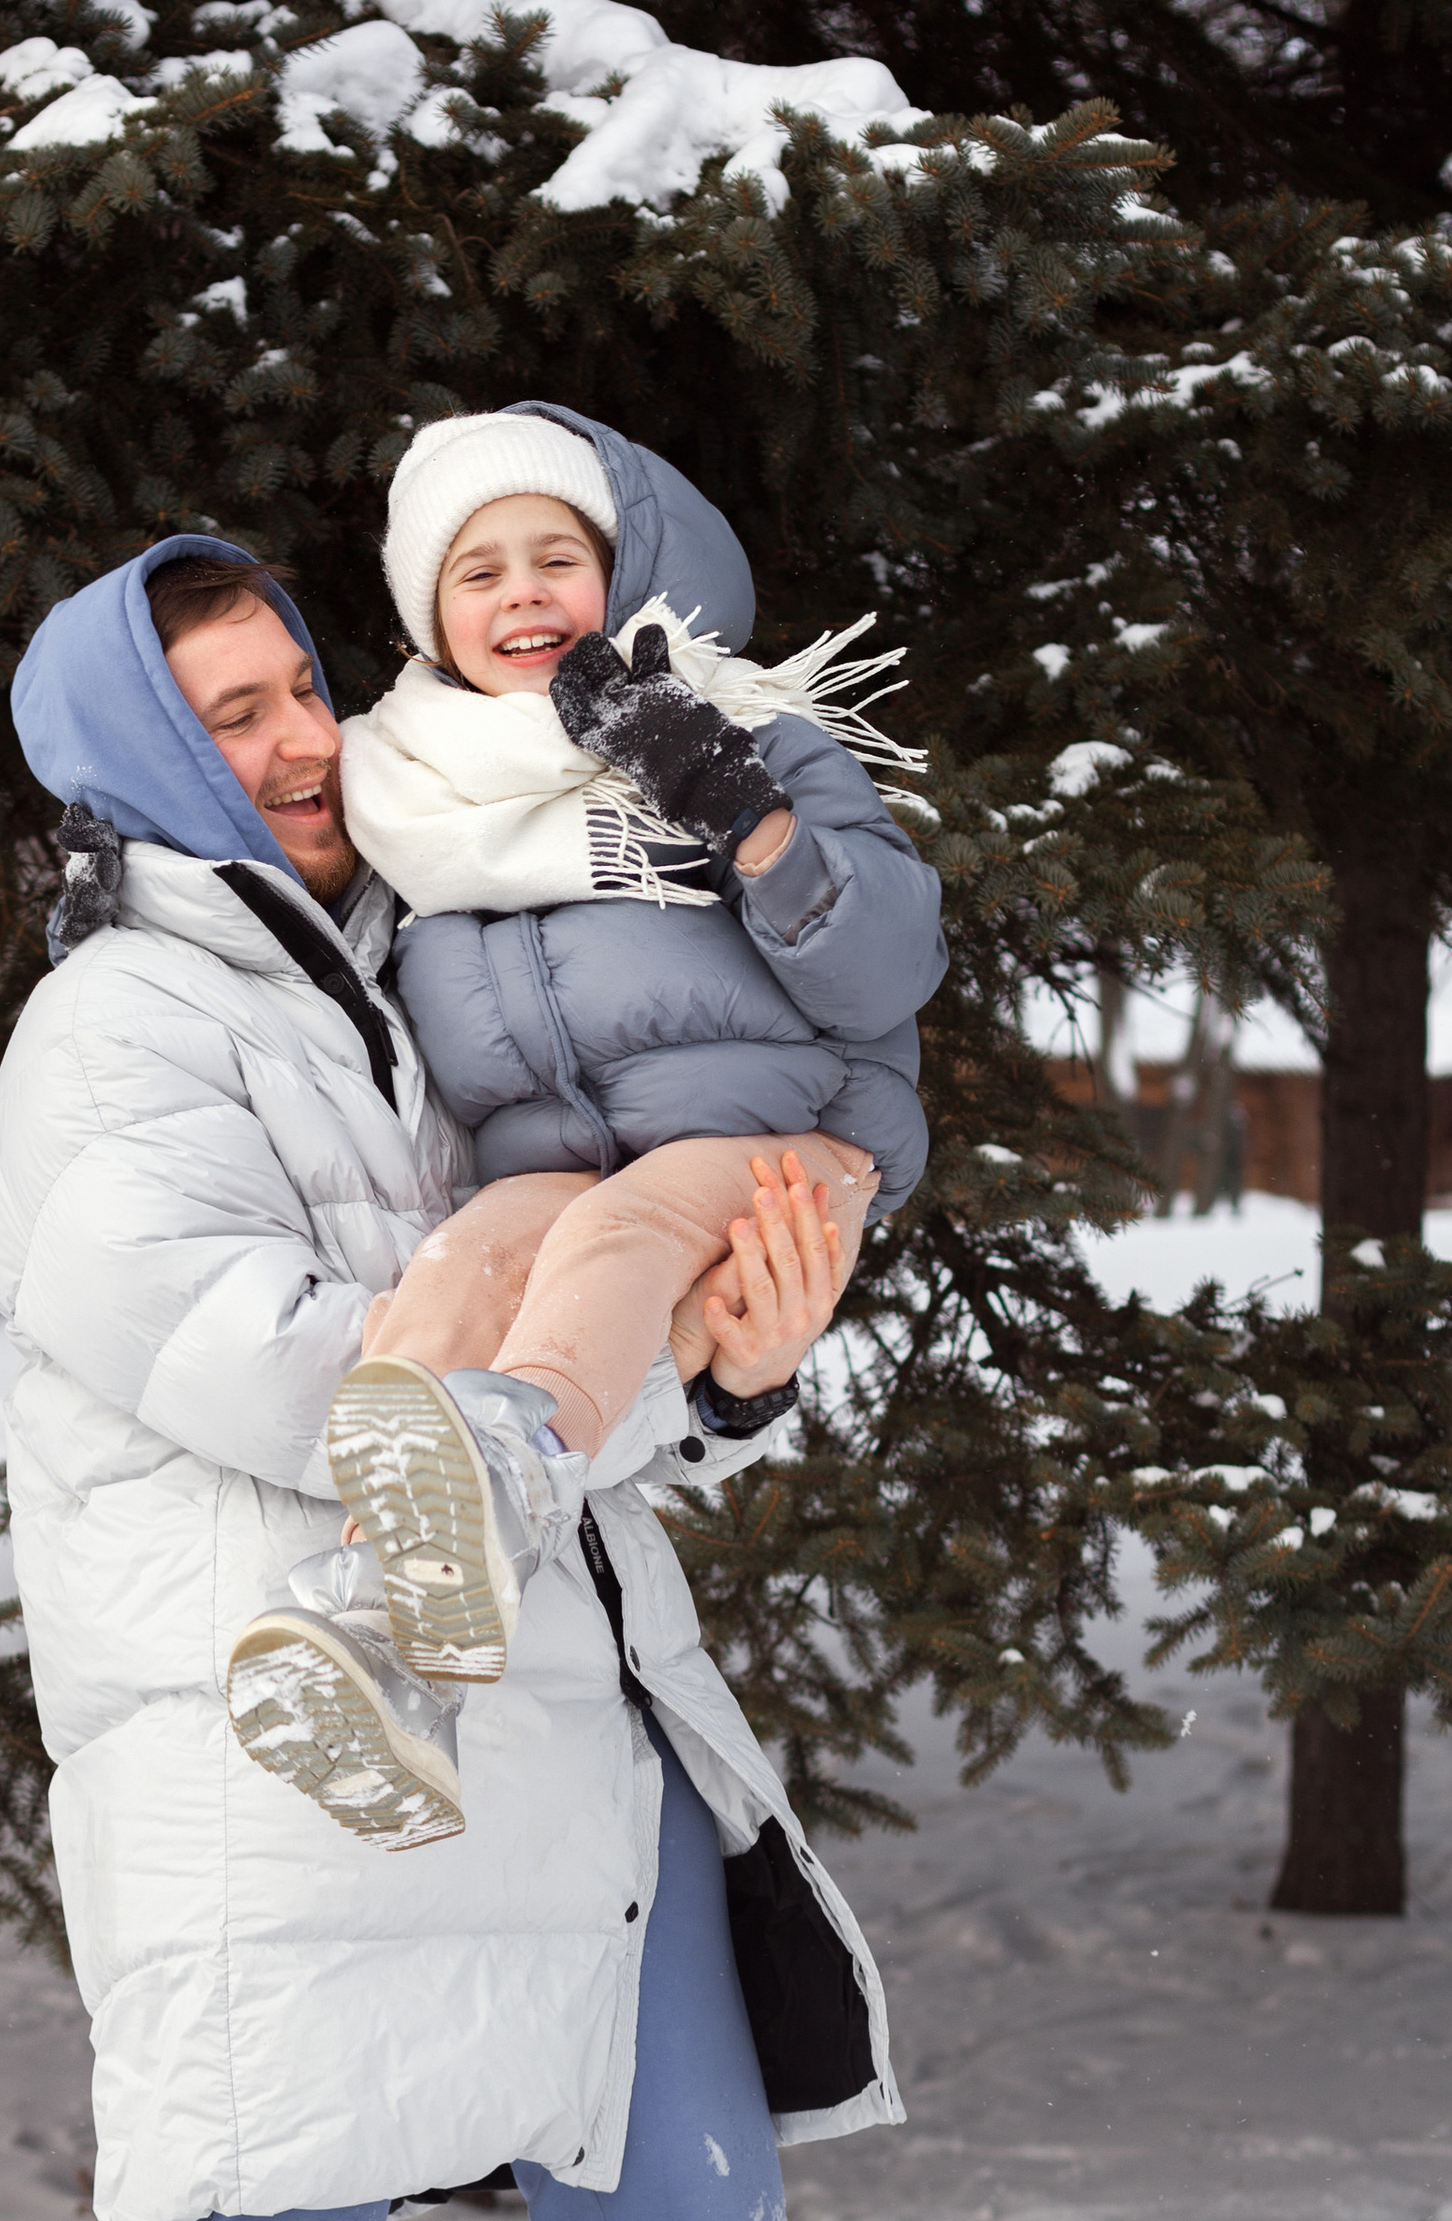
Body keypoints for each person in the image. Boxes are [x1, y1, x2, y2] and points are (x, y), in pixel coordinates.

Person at [0, 522, 904, 2221]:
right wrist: (594, 1360)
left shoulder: (432, 974)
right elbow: (273, 1366)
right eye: (231, 718)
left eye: (300, 696)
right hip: (282, 1735)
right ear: (129, 755)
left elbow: (589, 1357)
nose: (293, 750)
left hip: (571, 1722)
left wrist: (730, 1344)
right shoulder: (114, 1037)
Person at [224, 405, 946, 1849]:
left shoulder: (746, 731)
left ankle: (516, 1464)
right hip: (560, 1176)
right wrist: (116, 867)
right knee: (462, 1266)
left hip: (784, 1143)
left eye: (559, 555)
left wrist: (737, 813)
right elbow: (268, 879)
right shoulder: (408, 788)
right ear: (431, 611)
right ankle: (390, 1633)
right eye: (477, 571)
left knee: (611, 1231)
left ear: (626, 569)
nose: (523, 594)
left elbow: (890, 965)